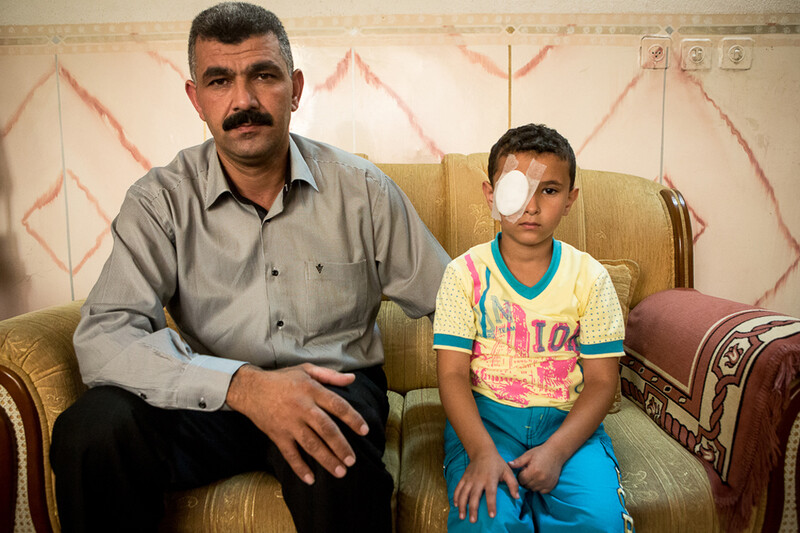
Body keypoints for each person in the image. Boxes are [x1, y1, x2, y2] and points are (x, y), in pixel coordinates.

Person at [49, 3, 449, 532]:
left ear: (296, 87)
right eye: (219, 80)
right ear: (196, 99)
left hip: (331, 388)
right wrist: (242, 386)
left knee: (329, 443)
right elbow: (104, 336)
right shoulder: (160, 202)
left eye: (263, 75)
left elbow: (455, 300)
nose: (244, 101)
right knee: (92, 428)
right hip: (207, 399)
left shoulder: (364, 191)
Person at [433, 124, 635, 532]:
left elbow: (600, 381)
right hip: (487, 425)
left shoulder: (590, 278)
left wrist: (558, 452)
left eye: (549, 190)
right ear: (491, 196)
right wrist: (482, 452)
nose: (530, 206)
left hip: (567, 428)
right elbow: (452, 374)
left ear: (570, 200)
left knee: (600, 522)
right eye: (515, 189)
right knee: (483, 520)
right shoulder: (463, 275)